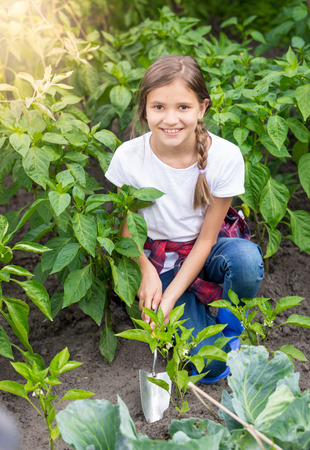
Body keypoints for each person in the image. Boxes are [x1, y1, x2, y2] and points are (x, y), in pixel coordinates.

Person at [105, 55, 264, 382]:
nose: (170, 119)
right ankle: (199, 318)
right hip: (159, 259)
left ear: (202, 108)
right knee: (210, 367)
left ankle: (228, 321)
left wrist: (172, 297)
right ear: (144, 108)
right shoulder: (130, 157)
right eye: (158, 107)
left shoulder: (225, 157)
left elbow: (207, 239)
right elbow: (126, 231)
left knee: (247, 262)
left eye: (183, 107)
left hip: (205, 251)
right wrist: (145, 271)